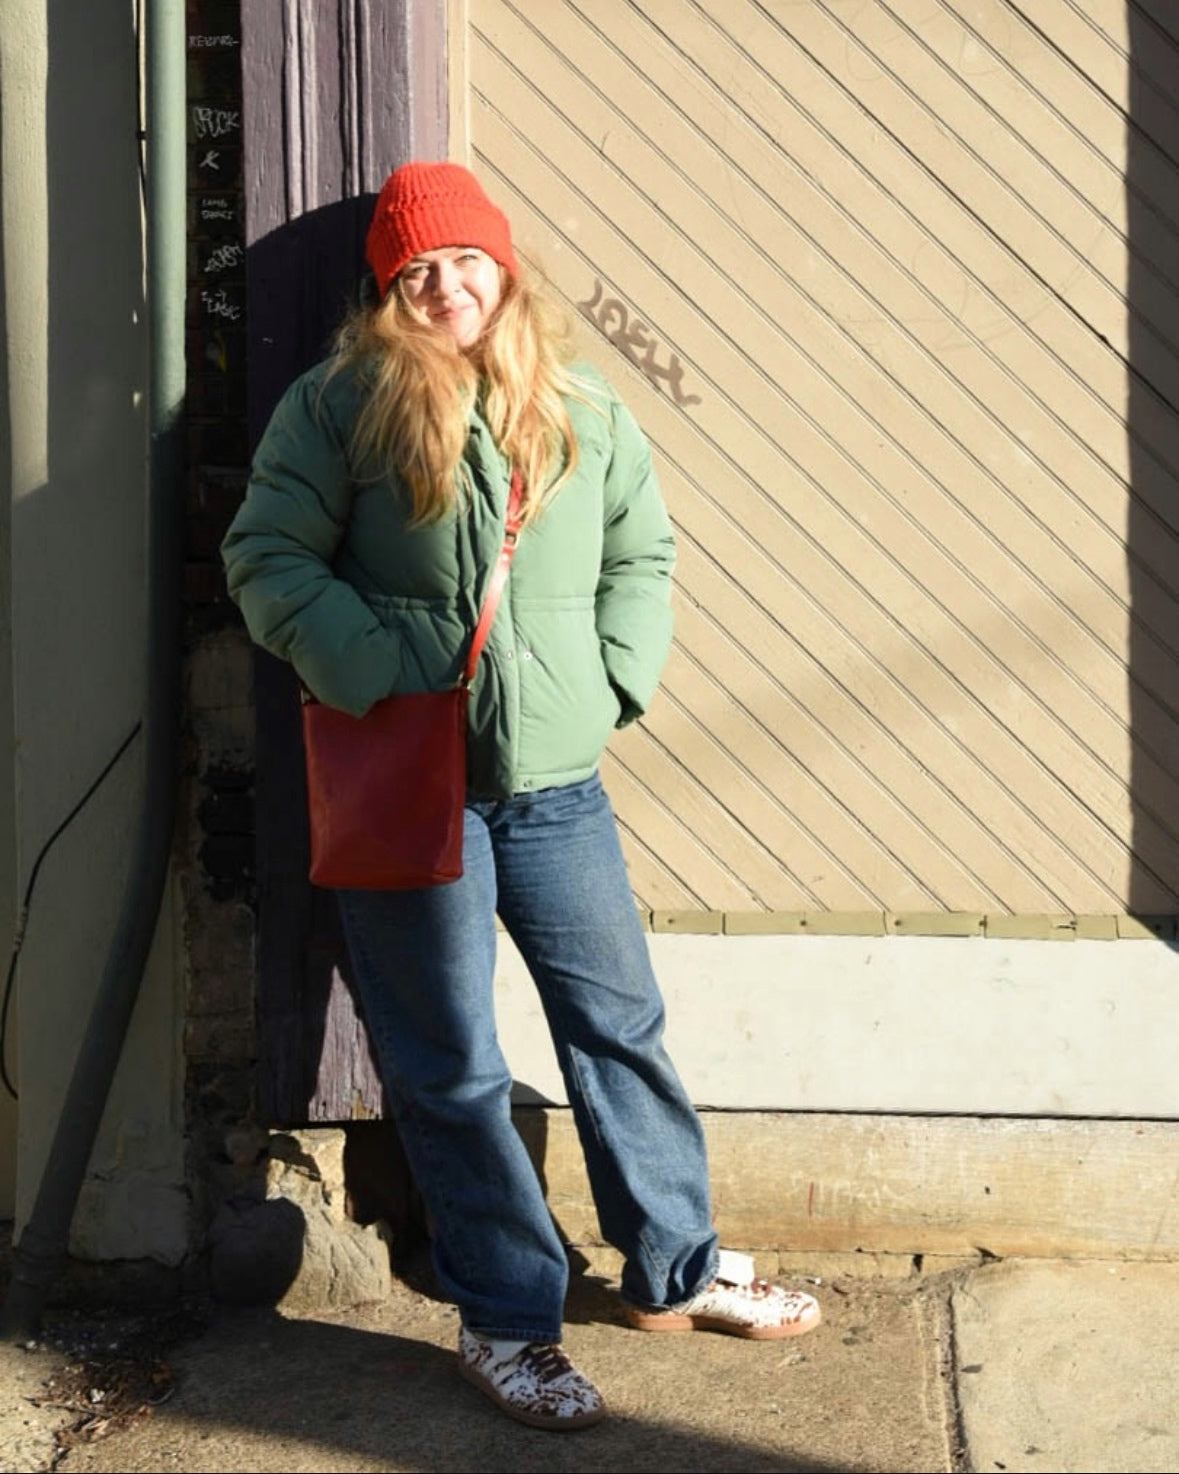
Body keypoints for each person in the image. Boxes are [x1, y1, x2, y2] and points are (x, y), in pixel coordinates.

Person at [221, 160, 821, 1432]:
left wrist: (611, 681)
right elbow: (265, 555)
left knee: (620, 1024)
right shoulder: (341, 408)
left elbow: (641, 550)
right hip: (407, 787)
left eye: (465, 260)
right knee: (449, 1065)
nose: (444, 286)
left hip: (556, 782)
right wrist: (371, 666)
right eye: (416, 270)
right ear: (389, 291)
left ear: (505, 269)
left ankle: (673, 1268)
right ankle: (507, 1321)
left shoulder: (586, 410)